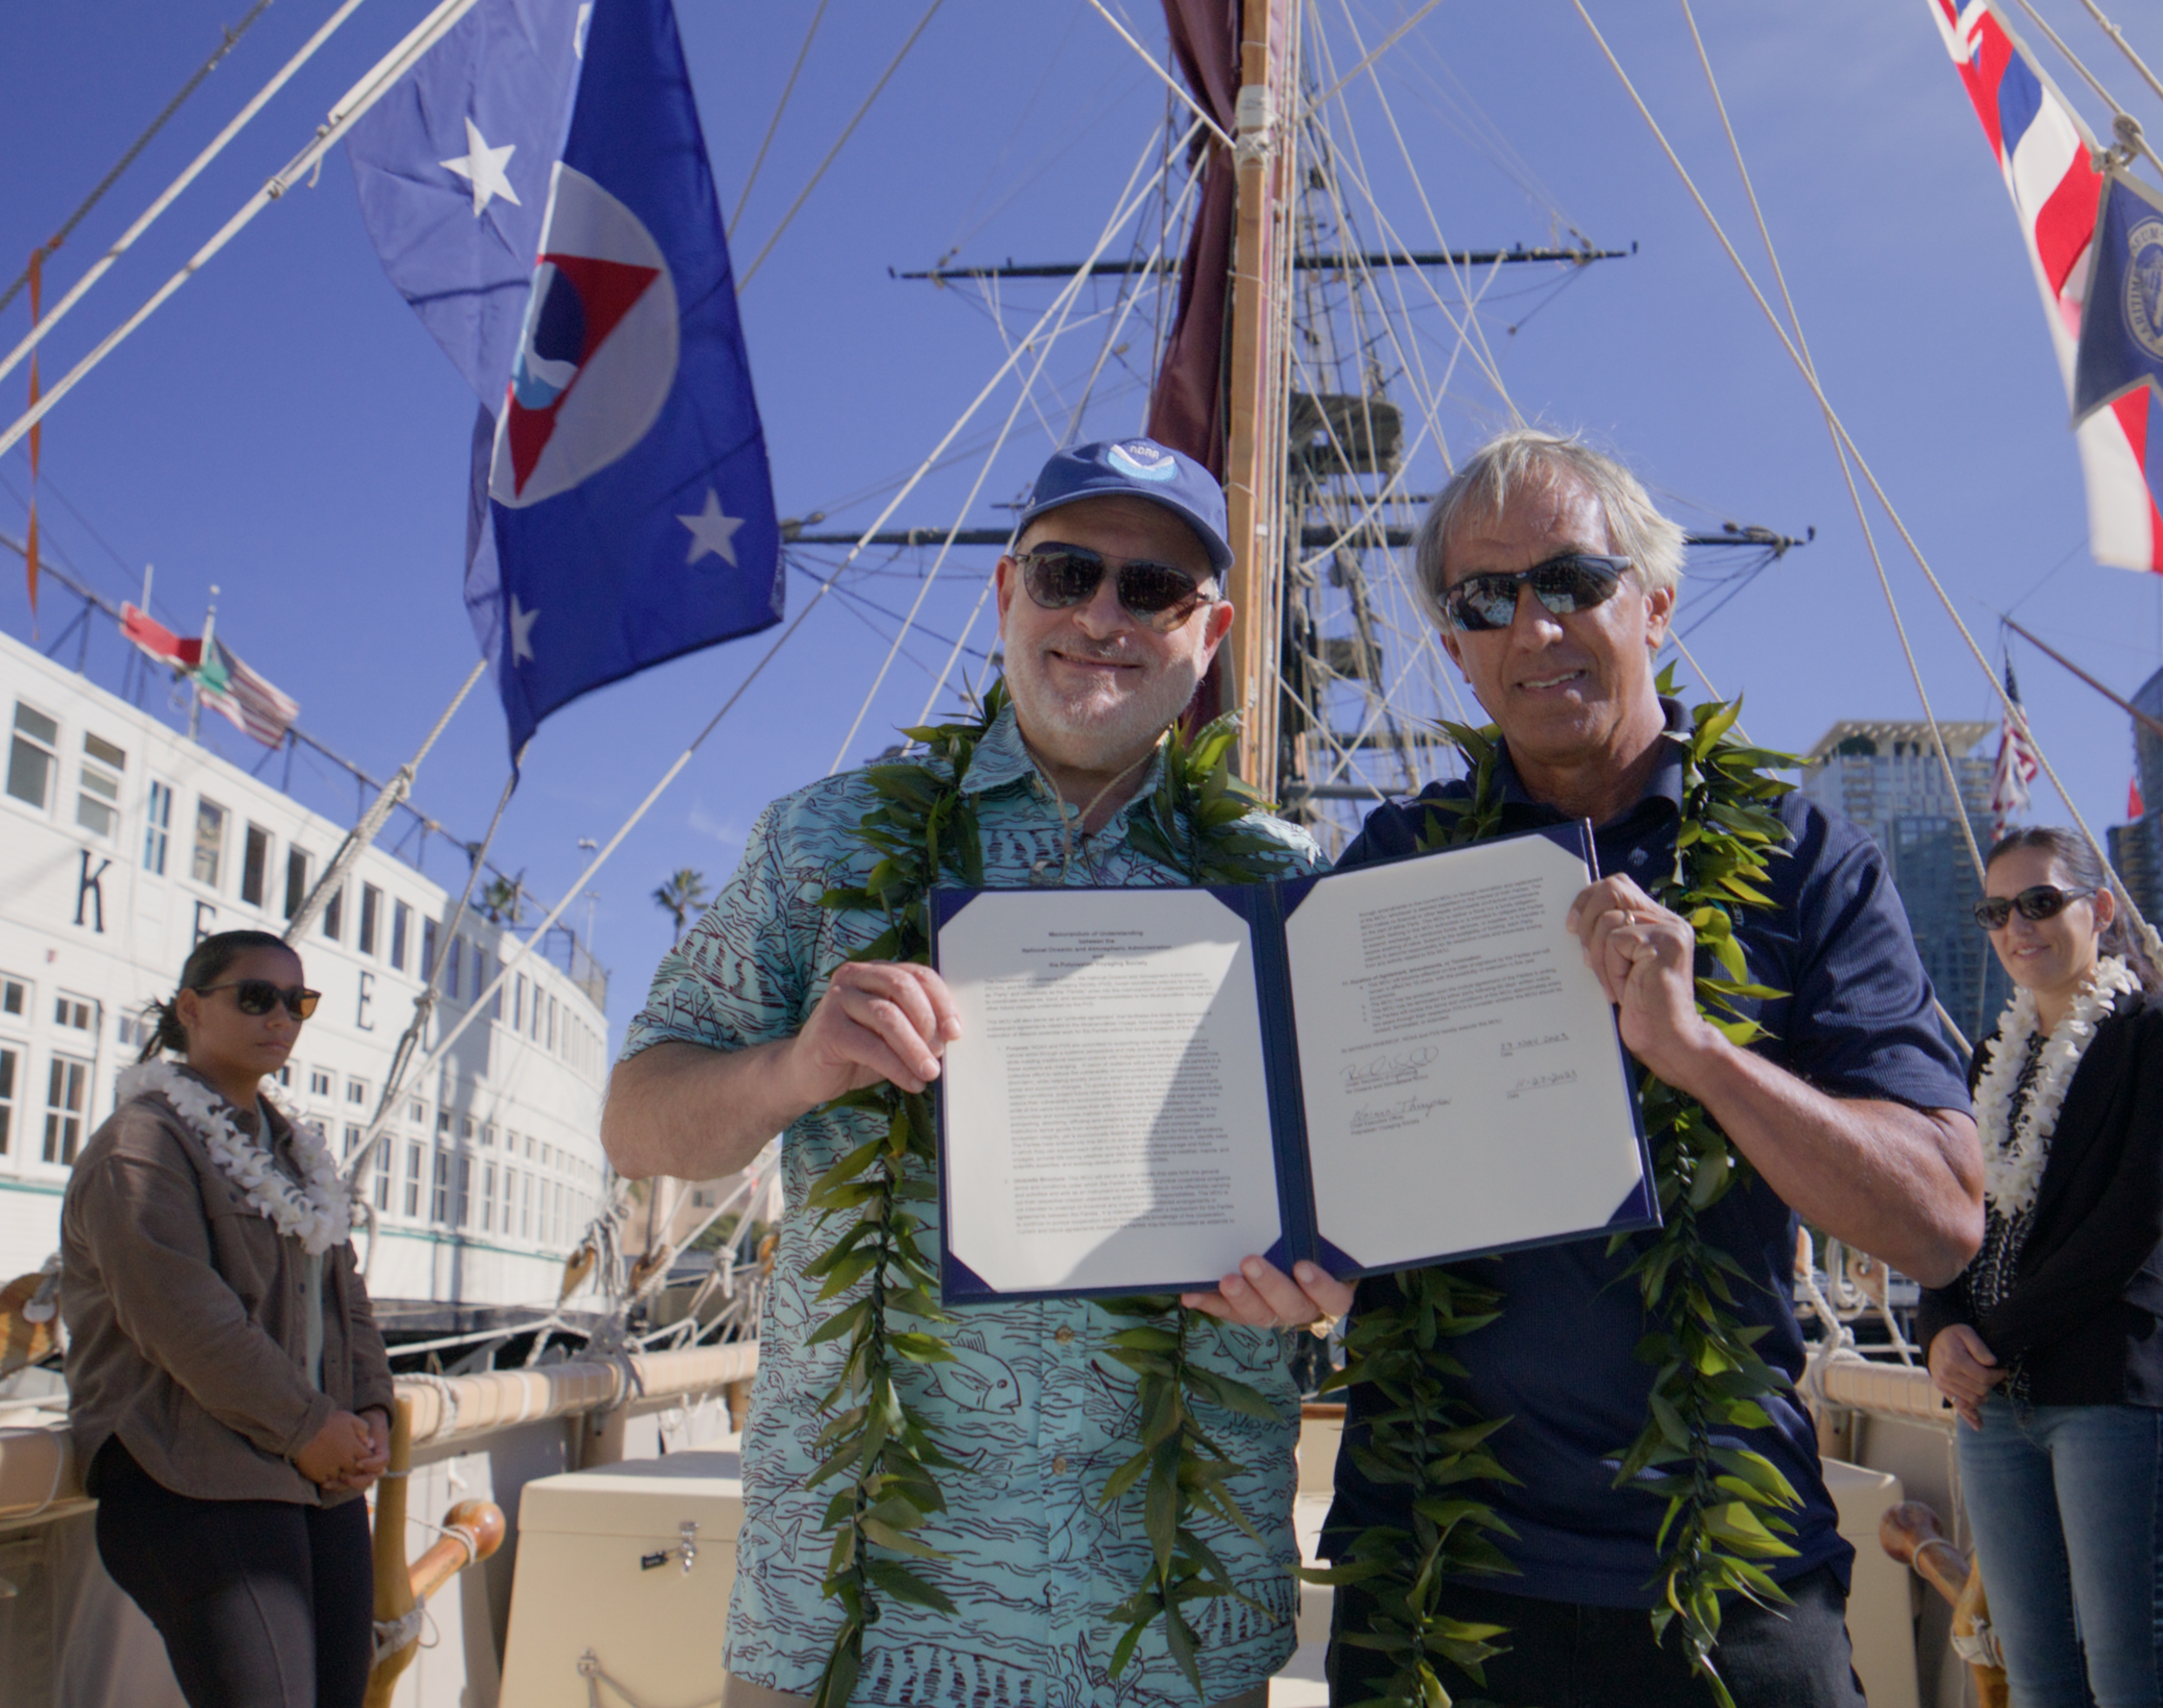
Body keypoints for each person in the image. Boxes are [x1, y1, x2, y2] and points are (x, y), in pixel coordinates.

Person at [604, 438, 1339, 1708]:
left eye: (1153, 590)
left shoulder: (1291, 887)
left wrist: (1325, 1285)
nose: (1101, 617)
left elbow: (1362, 1190)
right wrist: (795, 1068)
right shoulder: (822, 842)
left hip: (1172, 1627)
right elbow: (636, 1122)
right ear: (1007, 593)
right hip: (854, 1622)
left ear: (1209, 631)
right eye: (1067, 573)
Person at [1320, 429, 1984, 1708]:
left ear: (1658, 605)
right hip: (1438, 1583)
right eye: (1485, 599)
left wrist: (1702, 1057)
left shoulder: (1805, 862)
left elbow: (1944, 1219)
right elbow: (1303, 1170)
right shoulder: (1389, 871)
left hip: (1731, 1576)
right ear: (1455, 648)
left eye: (1573, 581)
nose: (1534, 627)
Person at [1918, 827, 2163, 1708]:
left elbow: (2136, 1219)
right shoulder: (1989, 1061)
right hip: (1996, 1412)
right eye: (1997, 911)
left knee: (2134, 1685)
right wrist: (1940, 1330)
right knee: (2039, 1682)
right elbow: (1950, 1214)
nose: (2018, 926)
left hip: (2113, 1399)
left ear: (2102, 909)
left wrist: (1988, 1340)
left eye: (2041, 902)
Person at [62, 929, 395, 1708]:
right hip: (190, 1475)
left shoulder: (295, 1155)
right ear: (190, 1008)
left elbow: (347, 1301)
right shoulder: (142, 1145)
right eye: (255, 997)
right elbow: (183, 1319)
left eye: (297, 1002)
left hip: (316, 1482)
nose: (279, 1017)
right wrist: (308, 1426)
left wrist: (372, 1415)